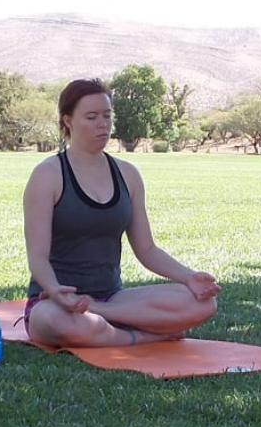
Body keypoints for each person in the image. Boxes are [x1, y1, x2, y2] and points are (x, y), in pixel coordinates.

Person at [22, 79, 217, 347]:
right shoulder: (47, 175)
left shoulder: (128, 174)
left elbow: (147, 249)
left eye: (107, 115)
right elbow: (38, 258)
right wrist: (54, 291)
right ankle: (146, 336)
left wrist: (189, 277)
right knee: (62, 322)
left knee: (203, 304)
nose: (103, 124)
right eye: (91, 117)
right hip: (55, 303)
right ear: (68, 121)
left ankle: (100, 315)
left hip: (114, 300)